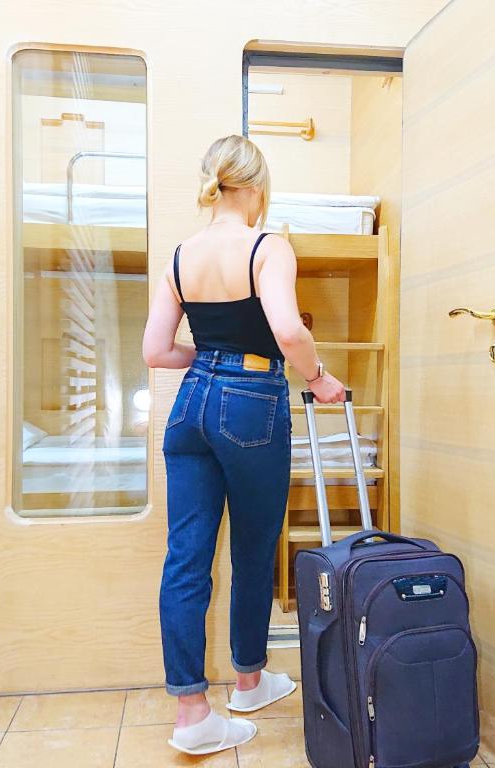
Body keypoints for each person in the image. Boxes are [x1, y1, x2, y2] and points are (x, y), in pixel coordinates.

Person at [142, 135, 346, 754]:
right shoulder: (267, 246)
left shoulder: (182, 254)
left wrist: (206, 359)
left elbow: (156, 352)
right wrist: (318, 377)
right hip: (252, 399)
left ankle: (192, 712)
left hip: (190, 405)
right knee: (255, 547)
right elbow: (287, 329)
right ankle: (249, 679)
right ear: (255, 186)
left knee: (187, 558)